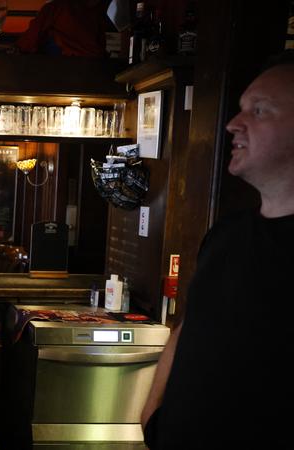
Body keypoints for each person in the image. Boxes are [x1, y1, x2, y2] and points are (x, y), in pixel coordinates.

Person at [141, 52, 294, 448]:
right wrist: (152, 417)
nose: (232, 125)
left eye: (259, 111)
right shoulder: (225, 234)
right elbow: (188, 327)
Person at [16, 0, 108, 56]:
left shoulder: (55, 7)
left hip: (66, 70)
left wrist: (15, 50)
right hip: (95, 70)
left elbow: (27, 43)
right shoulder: (98, 14)